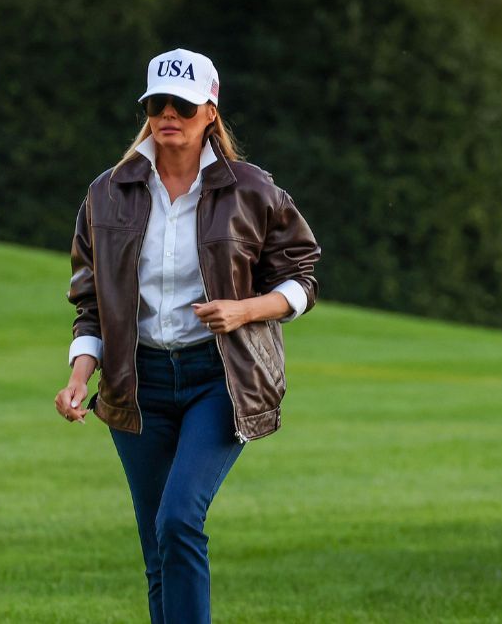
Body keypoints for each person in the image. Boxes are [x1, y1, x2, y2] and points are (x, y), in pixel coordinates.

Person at [53, 48, 320, 623]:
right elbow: (90, 302)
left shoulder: (252, 190)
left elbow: (302, 277)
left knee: (178, 519)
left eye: (183, 103)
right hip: (137, 384)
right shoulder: (106, 194)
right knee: (158, 548)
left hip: (221, 379)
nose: (168, 114)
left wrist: (245, 310)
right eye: (157, 103)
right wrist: (79, 376)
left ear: (210, 112)